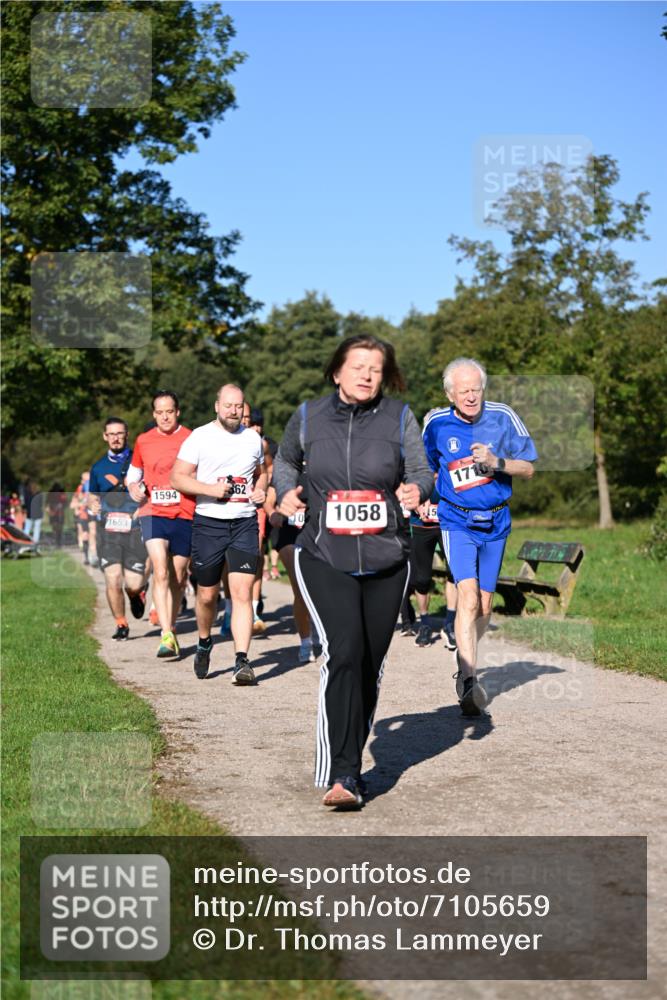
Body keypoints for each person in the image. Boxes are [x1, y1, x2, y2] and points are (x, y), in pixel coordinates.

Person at [273, 335, 433, 809]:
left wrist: (414, 490)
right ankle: (344, 772)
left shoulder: (400, 417)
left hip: (387, 557)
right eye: (358, 366)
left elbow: (422, 469)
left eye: (376, 369)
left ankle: (350, 759)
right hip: (324, 554)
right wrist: (286, 491)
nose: (367, 375)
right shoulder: (307, 416)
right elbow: (285, 461)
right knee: (344, 651)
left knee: (369, 663)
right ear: (337, 371)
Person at [423, 357, 537, 716]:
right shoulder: (436, 423)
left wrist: (497, 463)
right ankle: (469, 679)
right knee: (468, 598)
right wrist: (425, 496)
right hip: (456, 521)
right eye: (464, 391)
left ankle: (464, 650)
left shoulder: (504, 416)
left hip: (496, 522)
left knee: (485, 605)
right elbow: (428, 465)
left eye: (476, 389)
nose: (471, 396)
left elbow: (530, 467)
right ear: (449, 393)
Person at [171, 384, 268, 685]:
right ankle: (204, 641)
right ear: (217, 406)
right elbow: (177, 477)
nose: (233, 411)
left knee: (240, 594)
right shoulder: (199, 437)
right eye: (228, 405)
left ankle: (242, 660)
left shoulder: (253, 439)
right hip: (209, 523)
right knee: (207, 594)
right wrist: (210, 490)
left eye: (238, 406)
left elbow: (262, 472)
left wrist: (262, 488)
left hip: (243, 523)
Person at [127, 391, 195, 660]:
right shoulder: (144, 440)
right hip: (152, 511)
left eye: (169, 411)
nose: (164, 416)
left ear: (177, 412)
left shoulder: (191, 438)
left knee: (179, 576)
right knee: (160, 569)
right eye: (159, 412)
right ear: (153, 414)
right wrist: (133, 487)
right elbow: (134, 473)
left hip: (184, 512)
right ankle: (165, 633)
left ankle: (172, 625)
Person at [88, 417, 148, 640]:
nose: (115, 438)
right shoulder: (98, 468)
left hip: (134, 529)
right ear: (105, 436)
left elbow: (150, 488)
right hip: (109, 532)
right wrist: (93, 504)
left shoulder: (138, 461)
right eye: (111, 434)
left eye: (119, 433)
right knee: (112, 578)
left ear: (126, 435)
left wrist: (140, 510)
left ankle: (136, 593)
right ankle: (121, 624)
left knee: (132, 584)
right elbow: (93, 495)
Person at [403, 480, 458, 649]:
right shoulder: (415, 457)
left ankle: (450, 624)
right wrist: (416, 504)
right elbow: (404, 486)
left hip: (447, 522)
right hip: (421, 524)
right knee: (422, 578)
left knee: (453, 573)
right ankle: (425, 624)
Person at [47, 483, 67, 548]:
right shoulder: (51, 493)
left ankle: (58, 542)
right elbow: (48, 503)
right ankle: (57, 542)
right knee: (56, 528)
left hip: (59, 513)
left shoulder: (61, 493)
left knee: (57, 528)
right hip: (54, 513)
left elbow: (65, 502)